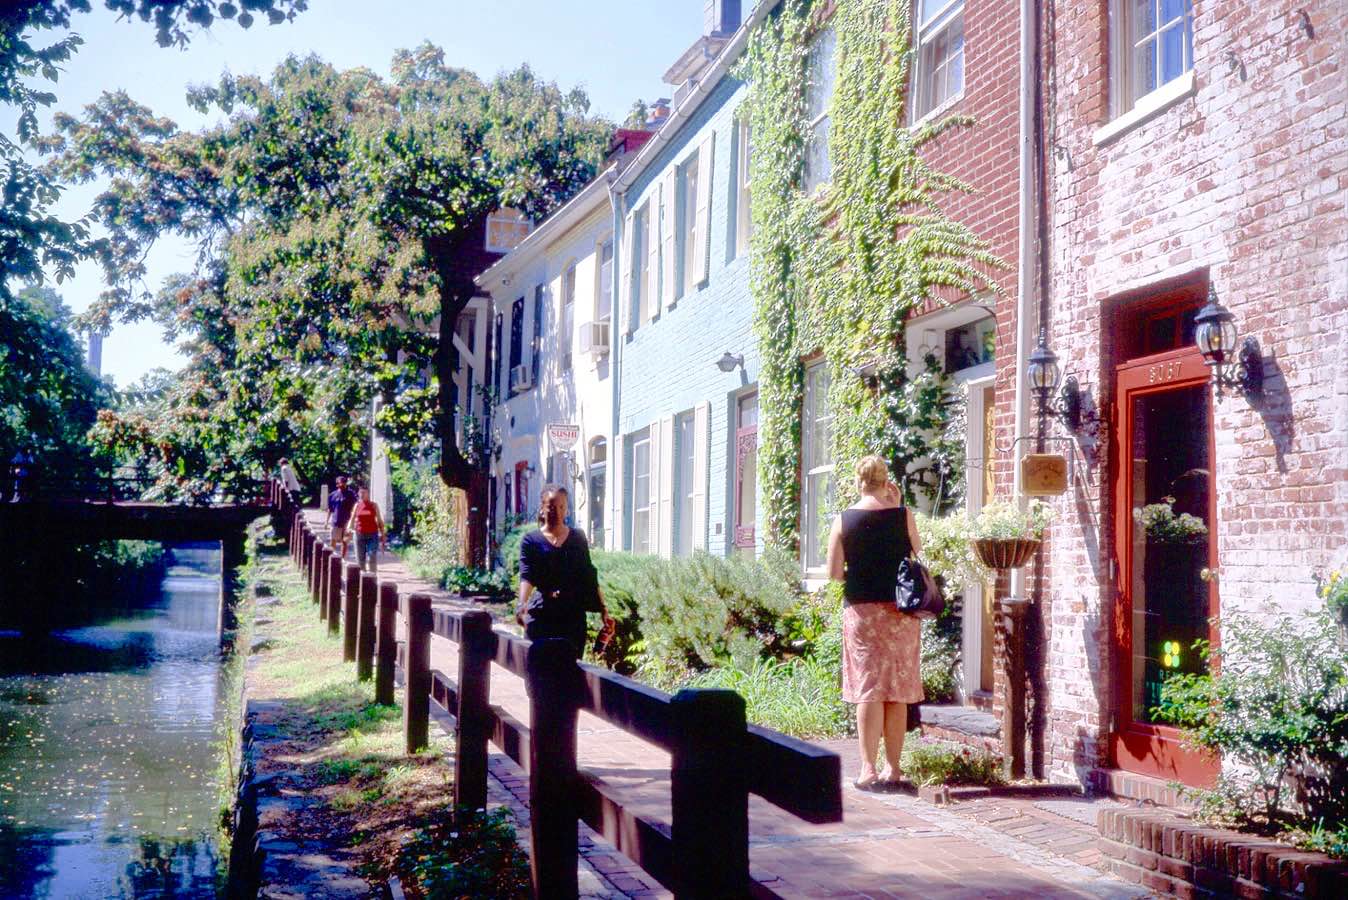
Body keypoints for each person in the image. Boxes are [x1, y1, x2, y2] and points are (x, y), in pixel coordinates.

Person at [825, 455, 924, 790]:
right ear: (886, 482)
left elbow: (834, 572)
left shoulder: (844, 520)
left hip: (862, 612)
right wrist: (896, 507)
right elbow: (918, 555)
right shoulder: (903, 515)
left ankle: (867, 768)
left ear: (859, 482)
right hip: (900, 612)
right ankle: (893, 768)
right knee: (896, 689)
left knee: (868, 689)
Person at [515, 485, 615, 659]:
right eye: (552, 507)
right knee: (538, 668)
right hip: (541, 614)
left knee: (569, 669)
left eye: (562, 507)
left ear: (567, 509)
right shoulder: (531, 540)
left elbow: (589, 575)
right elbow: (527, 575)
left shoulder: (578, 538)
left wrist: (603, 609)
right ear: (542, 508)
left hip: (572, 616)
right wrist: (521, 604)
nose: (557, 511)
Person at [347, 485, 386, 573]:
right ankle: (363, 578)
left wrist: (383, 534)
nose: (362, 494)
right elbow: (352, 519)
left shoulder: (374, 505)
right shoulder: (357, 505)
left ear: (368, 494)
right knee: (360, 560)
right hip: (359, 534)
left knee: (372, 556)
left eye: (364, 493)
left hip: (372, 535)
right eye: (360, 492)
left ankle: (372, 576)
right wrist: (348, 529)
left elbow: (379, 520)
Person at [326, 476, 357, 560]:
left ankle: (342, 559)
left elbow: (355, 507)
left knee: (344, 541)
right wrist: (326, 522)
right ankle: (331, 558)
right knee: (333, 540)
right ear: (337, 484)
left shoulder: (351, 494)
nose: (342, 484)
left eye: (344, 482)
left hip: (346, 521)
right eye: (340, 483)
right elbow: (330, 509)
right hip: (335, 521)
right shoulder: (332, 495)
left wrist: (353, 521)